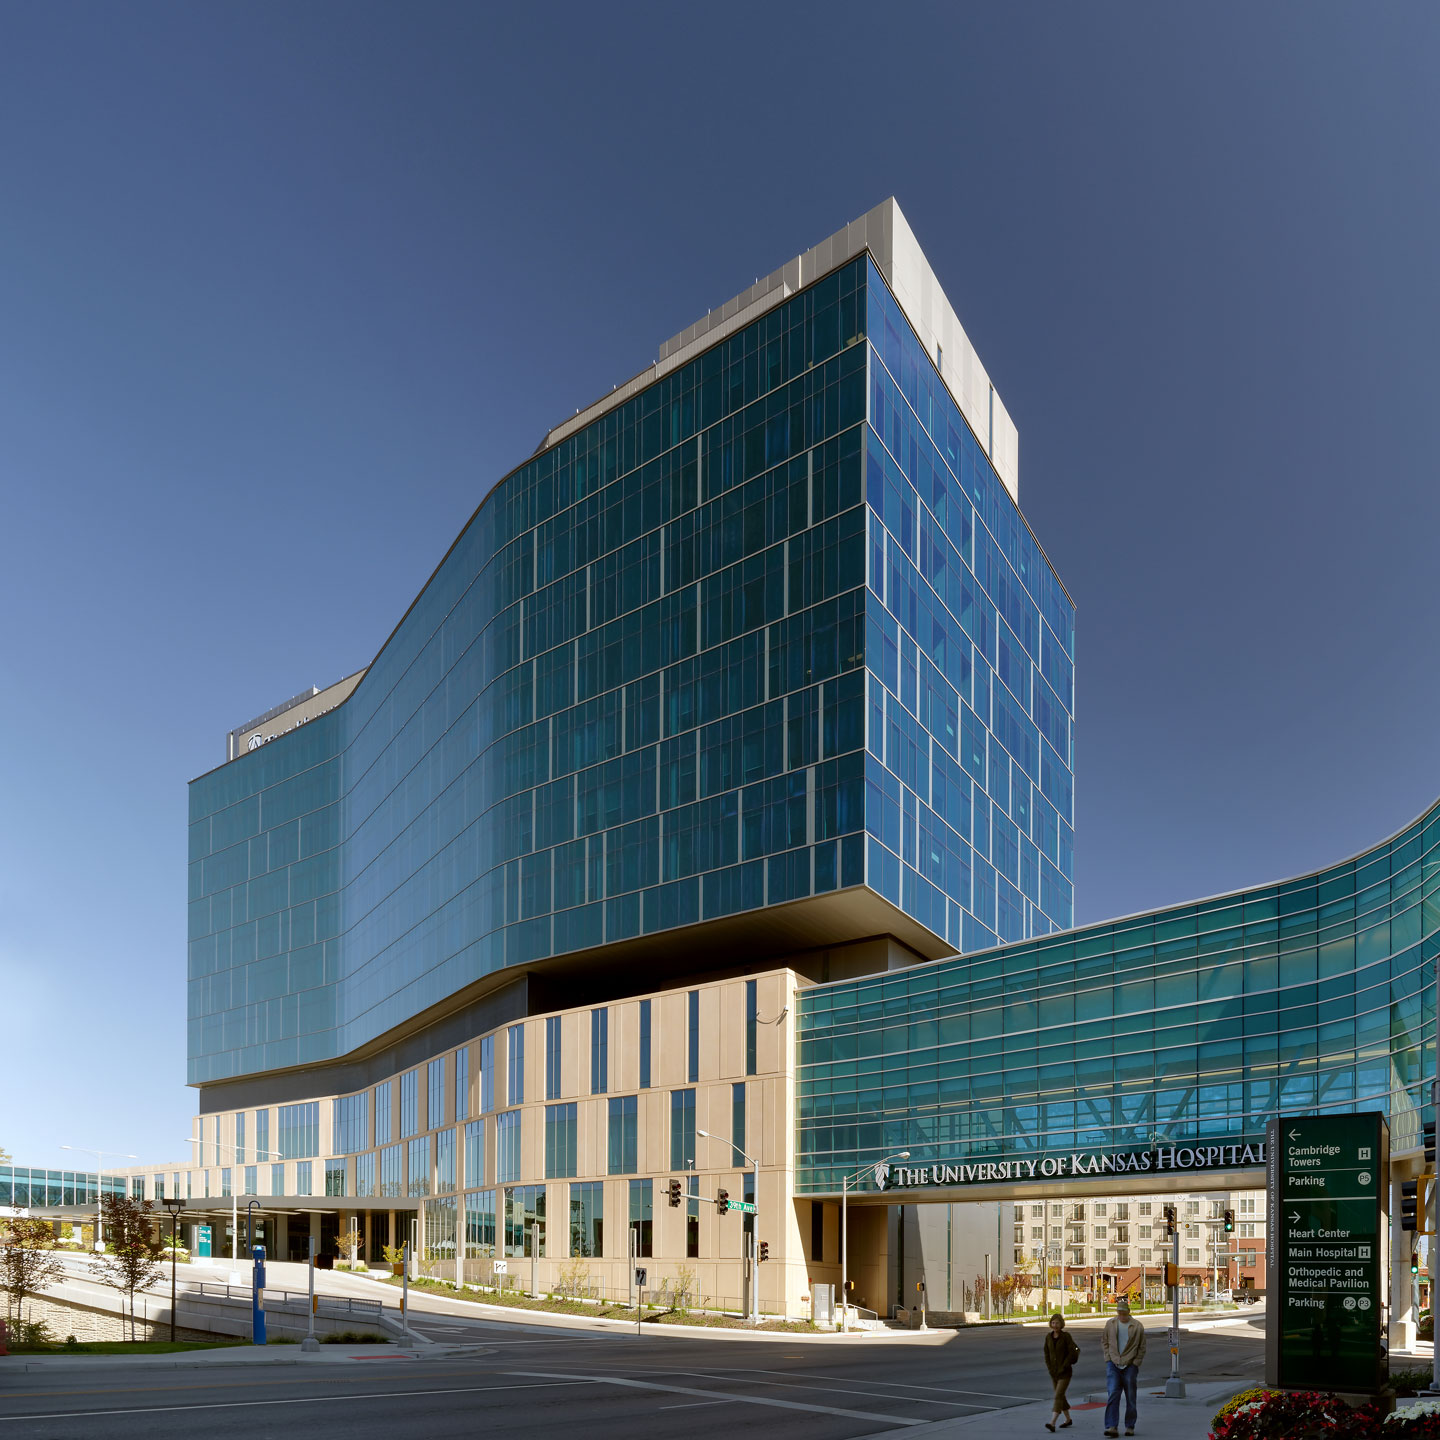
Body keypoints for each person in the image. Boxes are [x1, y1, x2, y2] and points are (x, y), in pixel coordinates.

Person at [1101, 1296, 1147, 1436]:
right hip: (1113, 1363)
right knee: (1113, 1394)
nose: (1121, 1315)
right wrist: (1108, 1358)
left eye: (1123, 1313)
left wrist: (1136, 1362)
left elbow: (1142, 1346)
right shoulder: (1110, 1324)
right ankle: (1111, 1426)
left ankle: (1130, 1426)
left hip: (1130, 1365)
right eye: (1119, 1313)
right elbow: (1104, 1341)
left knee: (1130, 1396)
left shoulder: (1137, 1326)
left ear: (1128, 1312)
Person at [1043, 1312, 1079, 1431]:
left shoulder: (1066, 1336)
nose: (1055, 1325)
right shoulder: (1048, 1337)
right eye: (1053, 1323)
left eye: (1057, 1323)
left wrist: (1064, 1365)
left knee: (1058, 1395)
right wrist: (1050, 1368)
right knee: (1061, 1396)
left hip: (1065, 1372)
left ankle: (1052, 1422)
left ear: (1061, 1324)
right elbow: (1046, 1354)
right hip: (1054, 1372)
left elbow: (1072, 1352)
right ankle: (1068, 1419)